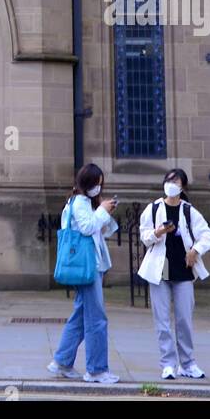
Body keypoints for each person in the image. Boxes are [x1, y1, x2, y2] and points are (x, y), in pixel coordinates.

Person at [138, 168, 210, 380]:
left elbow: (208, 235)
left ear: (182, 187)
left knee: (184, 320)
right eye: (169, 181)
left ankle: (188, 363)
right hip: (161, 267)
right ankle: (168, 364)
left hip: (183, 268)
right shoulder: (153, 208)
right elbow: (144, 236)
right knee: (162, 320)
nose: (172, 185)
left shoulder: (189, 211)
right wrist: (158, 232)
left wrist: (195, 250)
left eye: (176, 182)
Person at [47, 163, 120, 385]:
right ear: (87, 183)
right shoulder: (79, 202)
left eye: (101, 184)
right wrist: (102, 211)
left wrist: (105, 213)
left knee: (80, 317)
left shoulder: (85, 202)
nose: (99, 187)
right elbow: (88, 227)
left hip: (91, 265)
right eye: (97, 183)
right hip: (88, 268)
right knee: (96, 319)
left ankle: (61, 362)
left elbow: (99, 231)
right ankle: (96, 370)